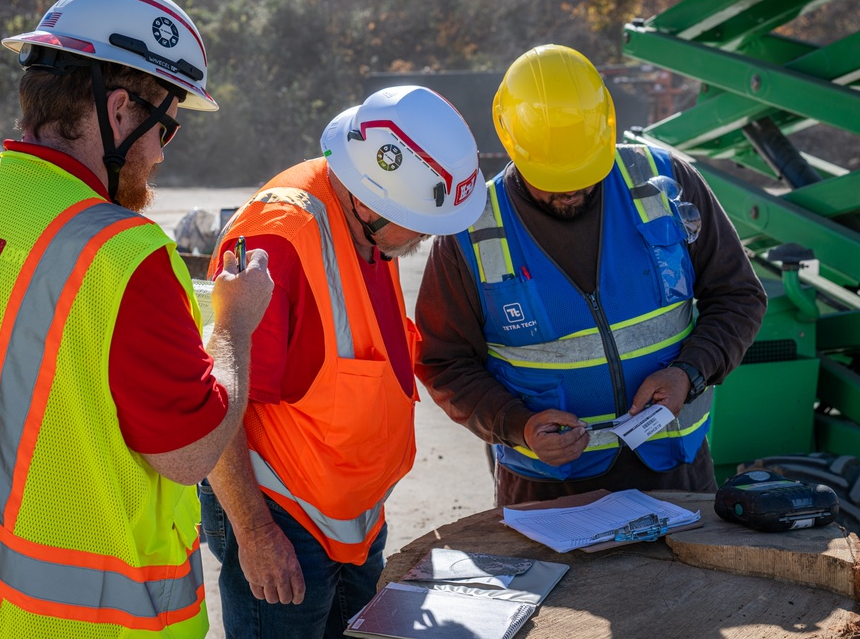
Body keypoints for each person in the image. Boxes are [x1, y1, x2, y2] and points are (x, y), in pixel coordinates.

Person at [0, 0, 273, 639]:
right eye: (164, 127)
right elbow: (188, 456)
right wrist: (233, 323)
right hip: (81, 622)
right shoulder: (120, 254)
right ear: (118, 110)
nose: (158, 153)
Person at [415, 44, 767, 507]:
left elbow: (739, 296)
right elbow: (443, 361)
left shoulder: (663, 182)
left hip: (676, 475)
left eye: (583, 171)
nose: (570, 188)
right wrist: (518, 424)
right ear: (511, 144)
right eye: (551, 177)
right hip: (546, 492)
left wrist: (689, 372)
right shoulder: (471, 231)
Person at [199, 85, 487, 638]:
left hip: (350, 517)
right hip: (283, 521)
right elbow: (216, 401)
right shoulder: (278, 238)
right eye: (420, 222)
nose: (426, 237)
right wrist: (257, 534)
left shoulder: (369, 228)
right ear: (370, 201)